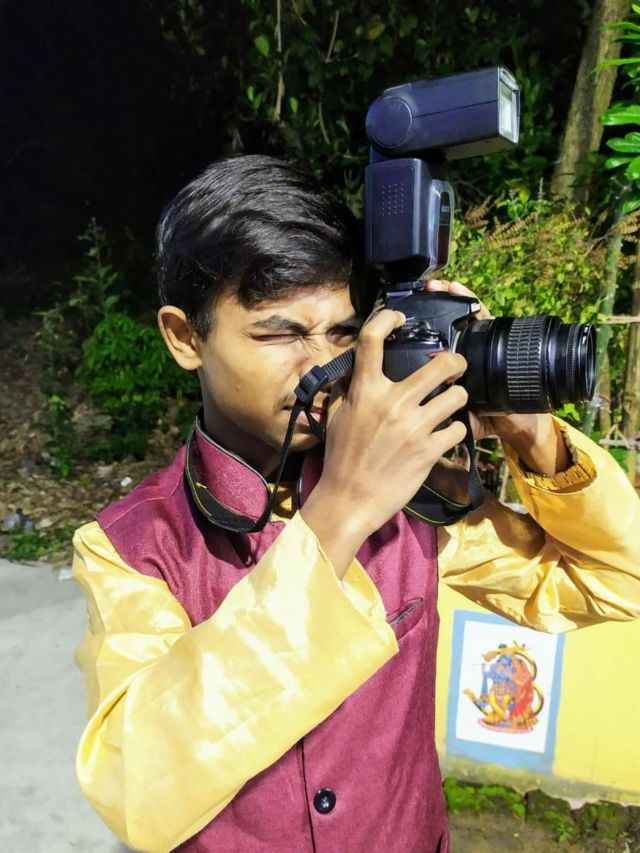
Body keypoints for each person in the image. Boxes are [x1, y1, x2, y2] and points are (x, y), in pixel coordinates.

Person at [72, 155, 640, 853]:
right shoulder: (130, 547)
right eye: (280, 333)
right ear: (186, 337)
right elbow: (137, 787)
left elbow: (614, 581)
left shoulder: (415, 500)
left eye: (343, 333)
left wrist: (533, 436)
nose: (322, 365)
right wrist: (340, 512)